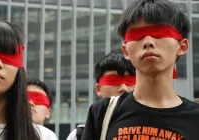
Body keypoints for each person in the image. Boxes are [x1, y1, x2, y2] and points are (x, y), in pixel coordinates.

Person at [81, 0, 199, 140]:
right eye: (137, 35)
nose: (148, 41)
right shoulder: (103, 112)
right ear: (125, 51)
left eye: (159, 32)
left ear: (182, 46)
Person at [66, 49, 136, 140]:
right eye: (113, 81)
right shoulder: (78, 136)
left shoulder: (152, 126)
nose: (123, 88)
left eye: (130, 81)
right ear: (99, 89)